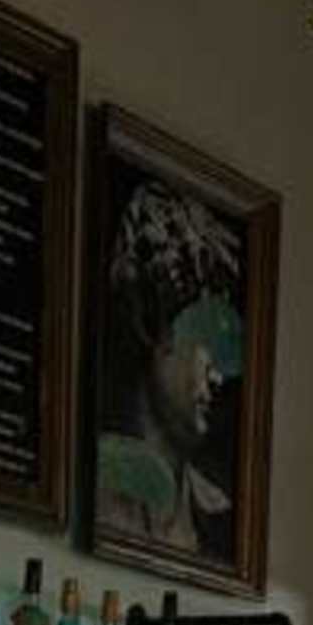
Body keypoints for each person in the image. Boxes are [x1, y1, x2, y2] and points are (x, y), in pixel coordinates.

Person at [91, 176, 245, 563]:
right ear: (150, 324)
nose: (219, 373)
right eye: (204, 338)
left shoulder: (219, 513)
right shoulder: (98, 491)